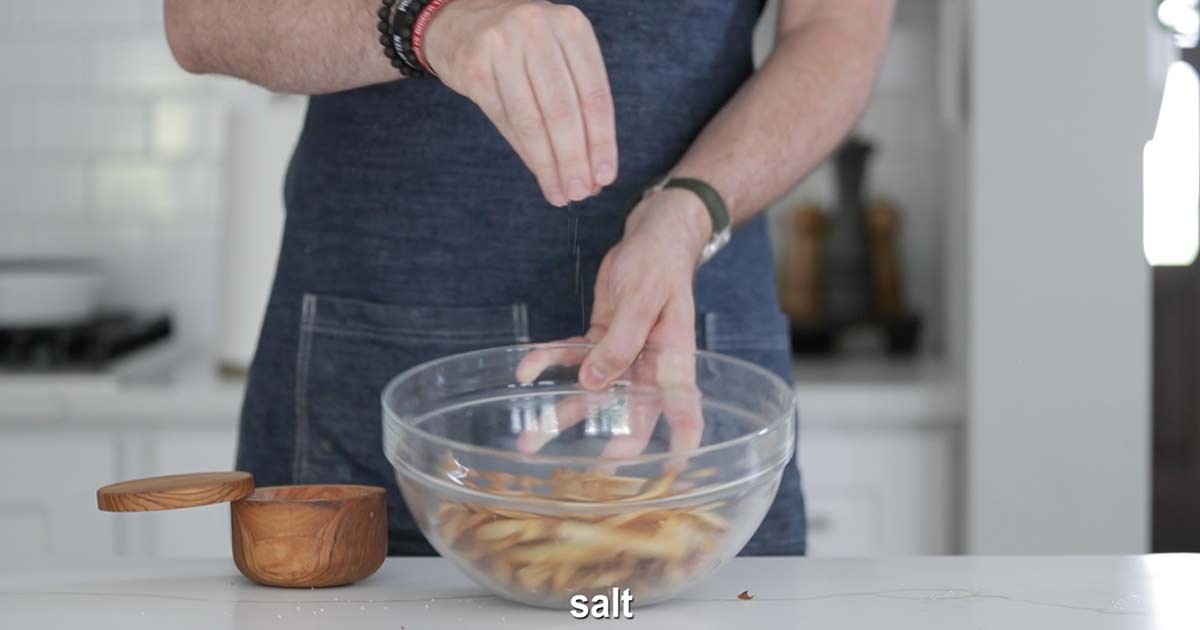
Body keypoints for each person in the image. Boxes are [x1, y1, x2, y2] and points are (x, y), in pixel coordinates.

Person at [164, 0, 893, 555]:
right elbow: (202, 19)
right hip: (370, 357)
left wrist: (692, 211)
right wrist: (425, 24)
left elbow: (835, 31)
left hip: (676, 353)